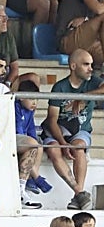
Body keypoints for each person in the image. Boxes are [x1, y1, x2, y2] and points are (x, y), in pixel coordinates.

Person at [43, 49, 102, 211]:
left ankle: (78, 196)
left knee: (79, 148)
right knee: (55, 150)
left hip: (80, 132)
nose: (91, 68)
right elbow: (52, 120)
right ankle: (79, 192)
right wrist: (63, 143)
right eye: (86, 64)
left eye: (91, 64)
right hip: (58, 131)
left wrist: (83, 97)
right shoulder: (60, 87)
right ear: (73, 66)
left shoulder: (92, 81)